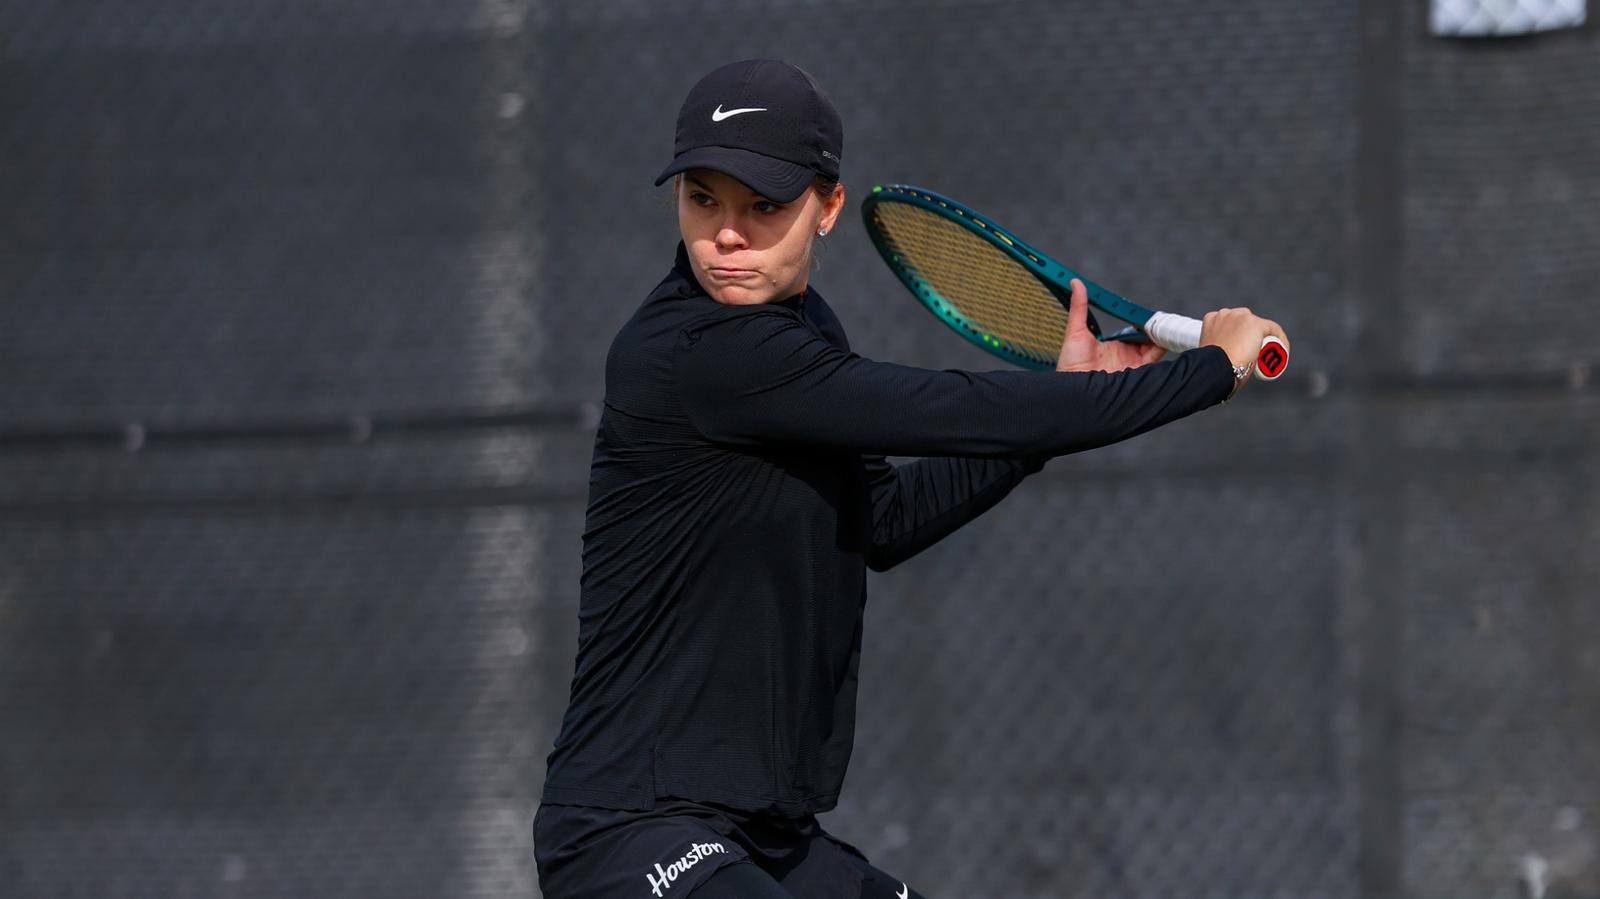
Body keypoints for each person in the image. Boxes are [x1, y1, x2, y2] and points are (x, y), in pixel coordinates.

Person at [534, 59, 1288, 899]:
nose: (728, 234)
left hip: (767, 834)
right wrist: (1207, 371)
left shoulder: (804, 330)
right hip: (631, 828)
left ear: (826, 207)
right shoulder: (702, 354)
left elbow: (883, 518)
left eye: (763, 205)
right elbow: (960, 410)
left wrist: (1070, 401)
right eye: (702, 199)